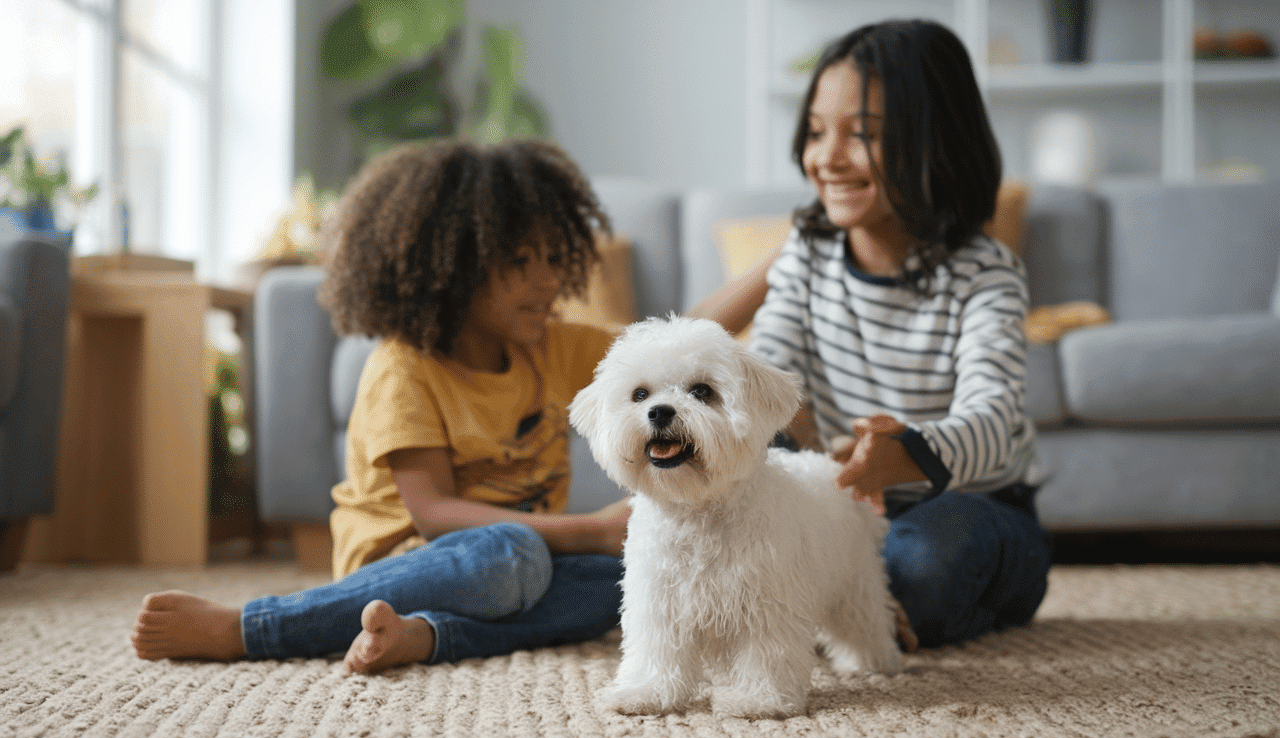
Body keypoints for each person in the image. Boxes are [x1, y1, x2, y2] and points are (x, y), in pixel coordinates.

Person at [132, 138, 633, 672]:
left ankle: (424, 637)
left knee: (626, 580)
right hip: (404, 561)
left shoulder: (552, 348)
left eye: (554, 259)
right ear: (454, 267)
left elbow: (676, 341)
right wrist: (594, 530)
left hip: (518, 564)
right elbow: (436, 514)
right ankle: (250, 627)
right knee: (513, 555)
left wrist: (740, 283)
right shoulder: (404, 369)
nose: (551, 280)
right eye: (520, 260)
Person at [693, 19, 1053, 650]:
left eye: (864, 136)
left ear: (936, 143)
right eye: (815, 132)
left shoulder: (986, 273)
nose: (827, 158)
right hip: (846, 513)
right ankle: (842, 617)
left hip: (975, 506)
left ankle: (849, 614)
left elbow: (993, 423)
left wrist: (907, 452)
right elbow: (770, 369)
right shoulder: (808, 258)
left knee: (922, 564)